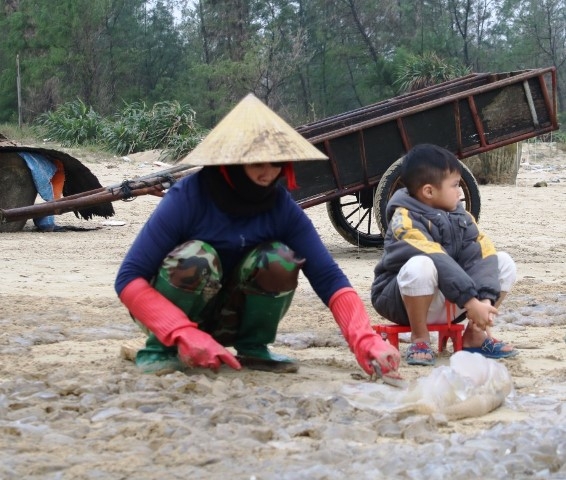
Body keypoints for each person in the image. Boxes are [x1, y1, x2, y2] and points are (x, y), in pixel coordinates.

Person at [115, 93, 401, 376]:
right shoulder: (187, 197)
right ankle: (159, 350)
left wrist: (365, 340)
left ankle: (253, 347)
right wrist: (181, 331)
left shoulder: (280, 207)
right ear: (232, 162)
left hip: (228, 318)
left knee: (280, 258)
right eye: (257, 163)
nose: (268, 173)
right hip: (173, 320)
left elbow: (329, 278)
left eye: (275, 163)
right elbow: (128, 279)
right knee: (198, 258)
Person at [370, 143, 518, 366]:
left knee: (503, 261)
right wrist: (470, 302)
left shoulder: (462, 217)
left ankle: (476, 334)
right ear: (429, 191)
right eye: (455, 185)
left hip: (452, 300)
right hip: (403, 302)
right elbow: (436, 258)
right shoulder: (404, 219)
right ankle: (420, 337)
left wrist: (483, 302)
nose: (460, 191)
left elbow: (481, 253)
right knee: (422, 263)